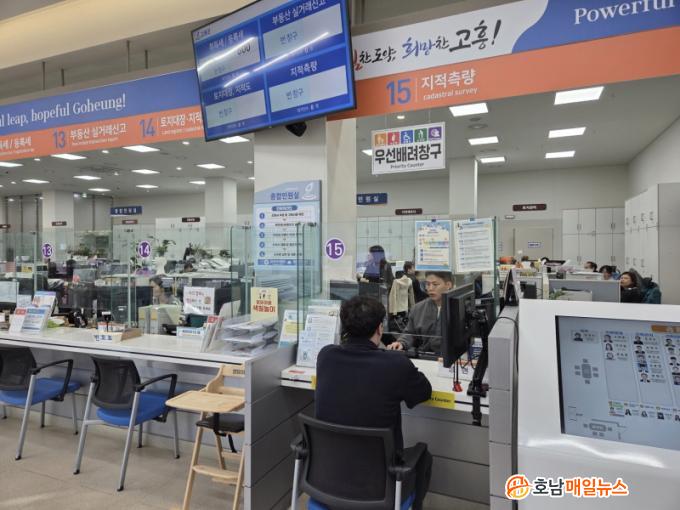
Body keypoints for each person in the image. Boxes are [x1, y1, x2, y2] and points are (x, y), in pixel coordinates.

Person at [315, 296, 433, 510]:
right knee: (424, 456)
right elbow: (424, 392)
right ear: (380, 328)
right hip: (381, 488)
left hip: (326, 479)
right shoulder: (395, 364)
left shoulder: (326, 356)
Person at [388, 272, 454, 354]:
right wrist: (401, 343)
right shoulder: (418, 308)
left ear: (448, 285)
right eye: (428, 284)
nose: (430, 288)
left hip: (453, 356)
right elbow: (410, 333)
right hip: (425, 355)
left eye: (435, 284)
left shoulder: (458, 307)